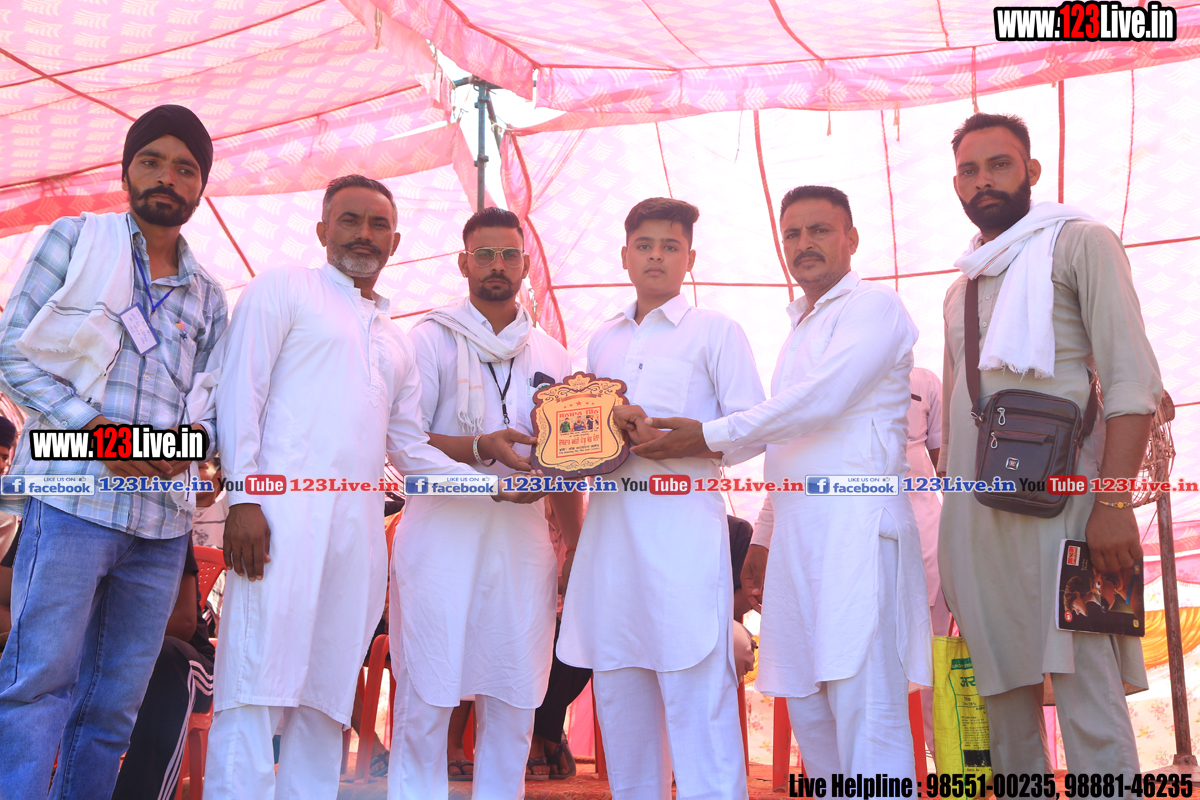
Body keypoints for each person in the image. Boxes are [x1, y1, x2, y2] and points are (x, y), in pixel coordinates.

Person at [207, 175, 511, 798]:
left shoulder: (394, 339)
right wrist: (243, 498)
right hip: (277, 520)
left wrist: (494, 488)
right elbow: (240, 395)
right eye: (350, 220)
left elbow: (411, 449)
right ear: (323, 229)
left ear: (395, 242)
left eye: (378, 225)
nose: (364, 235)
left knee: (326, 697)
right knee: (254, 685)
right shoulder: (282, 289)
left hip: (358, 535)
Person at [633, 186, 932, 779]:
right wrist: (765, 535)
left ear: (851, 239)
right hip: (798, 539)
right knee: (811, 709)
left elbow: (821, 401)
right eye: (792, 233)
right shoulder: (799, 328)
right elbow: (788, 442)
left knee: (866, 709)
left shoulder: (875, 307)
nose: (804, 244)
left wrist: (707, 435)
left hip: (858, 533)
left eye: (820, 230)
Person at [0, 105, 226, 798]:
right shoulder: (75, 241)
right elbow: (11, 352)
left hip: (160, 525)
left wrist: (193, 451)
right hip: (72, 500)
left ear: (201, 185)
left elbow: (211, 405)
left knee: (112, 711)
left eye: (185, 168)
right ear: (127, 171)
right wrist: (97, 430)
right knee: (37, 685)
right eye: (152, 161)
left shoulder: (209, 296)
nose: (167, 177)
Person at [938, 112, 1161, 775]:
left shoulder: (1083, 243)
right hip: (979, 526)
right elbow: (955, 426)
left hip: (1076, 513)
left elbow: (1132, 384)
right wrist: (953, 535)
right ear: (957, 184)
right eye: (970, 170)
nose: (984, 180)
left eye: (999, 164)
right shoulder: (960, 287)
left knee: (1090, 699)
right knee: (1003, 708)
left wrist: (1113, 506)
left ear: (1031, 171)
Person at [557, 197, 766, 800]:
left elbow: (753, 429)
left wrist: (692, 438)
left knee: (698, 702)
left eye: (670, 246)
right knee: (621, 700)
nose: (656, 256)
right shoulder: (603, 341)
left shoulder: (716, 331)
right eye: (645, 245)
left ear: (690, 259)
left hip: (683, 543)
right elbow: (582, 439)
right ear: (624, 256)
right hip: (612, 542)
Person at [390, 206, 581, 799]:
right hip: (441, 540)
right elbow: (404, 441)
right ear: (463, 262)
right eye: (485, 254)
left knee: (515, 691)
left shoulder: (553, 354)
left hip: (521, 544)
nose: (497, 265)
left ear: (525, 265)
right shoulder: (429, 339)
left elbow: (566, 462)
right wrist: (480, 450)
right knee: (428, 691)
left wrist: (576, 545)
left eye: (509, 255)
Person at [112, 536, 216, 800]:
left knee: (165, 659)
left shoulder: (167, 522)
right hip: (109, 657)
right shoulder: (61, 523)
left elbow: (184, 623)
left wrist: (108, 640)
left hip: (185, 664)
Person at [906, 366, 947, 762]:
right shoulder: (832, 371)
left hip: (927, 534)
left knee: (934, 653)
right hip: (858, 536)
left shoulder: (923, 381)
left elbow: (946, 463)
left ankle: (941, 759)